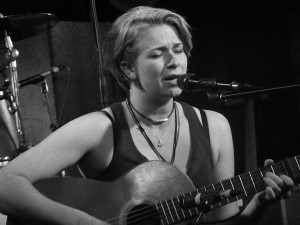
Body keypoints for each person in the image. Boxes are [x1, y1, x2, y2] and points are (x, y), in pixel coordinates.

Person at [0, 6, 295, 225]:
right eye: (157, 54)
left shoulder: (214, 126)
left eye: (178, 50)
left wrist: (257, 206)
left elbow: (221, 221)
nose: (174, 62)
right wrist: (82, 222)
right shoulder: (101, 127)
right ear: (128, 68)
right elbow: (5, 183)